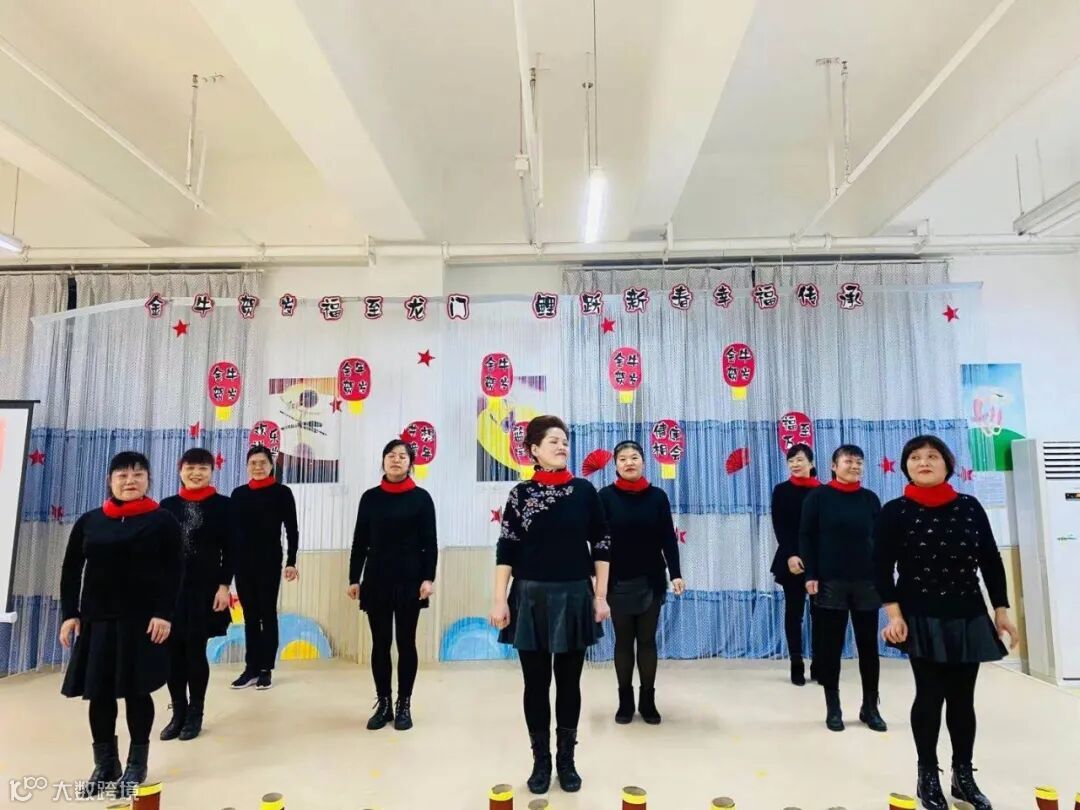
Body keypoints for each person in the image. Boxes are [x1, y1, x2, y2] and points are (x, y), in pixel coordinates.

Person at [876, 435, 1018, 810]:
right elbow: (880, 567)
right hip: (919, 614)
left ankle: (963, 776)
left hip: (967, 612)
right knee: (929, 694)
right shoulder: (895, 511)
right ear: (906, 466)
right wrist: (894, 614)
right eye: (915, 457)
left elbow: (990, 560)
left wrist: (1001, 609)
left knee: (962, 698)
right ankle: (927, 776)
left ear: (947, 465)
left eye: (932, 456)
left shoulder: (969, 506)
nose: (924, 462)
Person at [490, 415, 611, 794]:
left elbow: (602, 544)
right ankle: (540, 761)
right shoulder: (520, 495)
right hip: (530, 596)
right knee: (536, 683)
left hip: (575, 594)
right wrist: (499, 599)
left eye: (565, 441)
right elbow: (507, 549)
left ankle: (566, 761)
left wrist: (601, 596)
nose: (562, 446)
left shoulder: (584, 491)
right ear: (534, 450)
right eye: (554, 441)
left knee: (569, 682)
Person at [59, 451, 182, 798]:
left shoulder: (162, 520)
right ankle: (105, 764)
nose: (130, 481)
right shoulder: (90, 521)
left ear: (148, 480)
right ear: (110, 481)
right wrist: (70, 614)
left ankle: (136, 764)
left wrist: (164, 613)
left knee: (137, 693)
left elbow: (175, 571)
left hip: (142, 623)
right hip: (97, 621)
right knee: (99, 694)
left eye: (138, 474)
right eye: (122, 475)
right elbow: (71, 569)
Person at [348, 439, 438, 732]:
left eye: (402, 456)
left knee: (406, 643)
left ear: (410, 463)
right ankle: (384, 703)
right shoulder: (370, 498)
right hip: (376, 579)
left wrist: (428, 578)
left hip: (411, 580)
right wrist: (354, 578)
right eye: (391, 455)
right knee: (380, 643)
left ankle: (404, 705)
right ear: (383, 461)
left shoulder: (421, 498)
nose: (396, 460)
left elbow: (430, 543)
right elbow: (360, 541)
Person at [799, 443, 887, 733]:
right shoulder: (818, 497)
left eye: (859, 462)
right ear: (834, 466)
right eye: (848, 461)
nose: (854, 466)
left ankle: (870, 706)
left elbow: (880, 540)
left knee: (868, 647)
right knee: (831, 648)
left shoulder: (870, 499)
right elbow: (806, 537)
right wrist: (810, 574)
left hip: (866, 581)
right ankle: (833, 706)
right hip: (830, 581)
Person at [598, 439, 684, 725]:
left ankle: (648, 700)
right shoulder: (605, 497)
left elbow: (668, 538)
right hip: (616, 581)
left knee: (646, 641)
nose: (629, 462)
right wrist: (596, 579)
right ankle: (625, 701)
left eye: (634, 457)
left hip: (651, 580)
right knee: (623, 641)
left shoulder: (657, 497)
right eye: (623, 458)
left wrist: (676, 573)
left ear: (644, 463)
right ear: (616, 465)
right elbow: (597, 541)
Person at [159, 448, 233, 741]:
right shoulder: (166, 506)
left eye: (202, 468)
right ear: (180, 471)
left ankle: (195, 713)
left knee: (194, 651)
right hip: (172, 591)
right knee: (172, 654)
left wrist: (224, 586)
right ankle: (177, 712)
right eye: (190, 467)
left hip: (205, 590)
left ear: (212, 472)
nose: (196, 473)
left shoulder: (224, 506)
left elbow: (232, 550)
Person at [229, 446, 299, 690]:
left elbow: (292, 529)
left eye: (262, 463)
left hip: (269, 561)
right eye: (253, 463)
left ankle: (266, 668)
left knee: (267, 614)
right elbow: (231, 532)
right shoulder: (238, 494)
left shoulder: (282, 493)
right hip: (242, 563)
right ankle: (251, 668)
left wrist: (291, 561)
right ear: (247, 466)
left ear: (271, 466)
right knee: (249, 616)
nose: (258, 467)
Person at [770, 443, 821, 686]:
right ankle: (796, 663)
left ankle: (819, 663)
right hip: (791, 558)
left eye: (800, 459)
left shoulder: (823, 492)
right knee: (794, 613)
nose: (795, 464)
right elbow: (780, 526)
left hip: (819, 560)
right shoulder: (781, 490)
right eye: (791, 461)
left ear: (811, 463)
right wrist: (791, 555)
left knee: (820, 614)